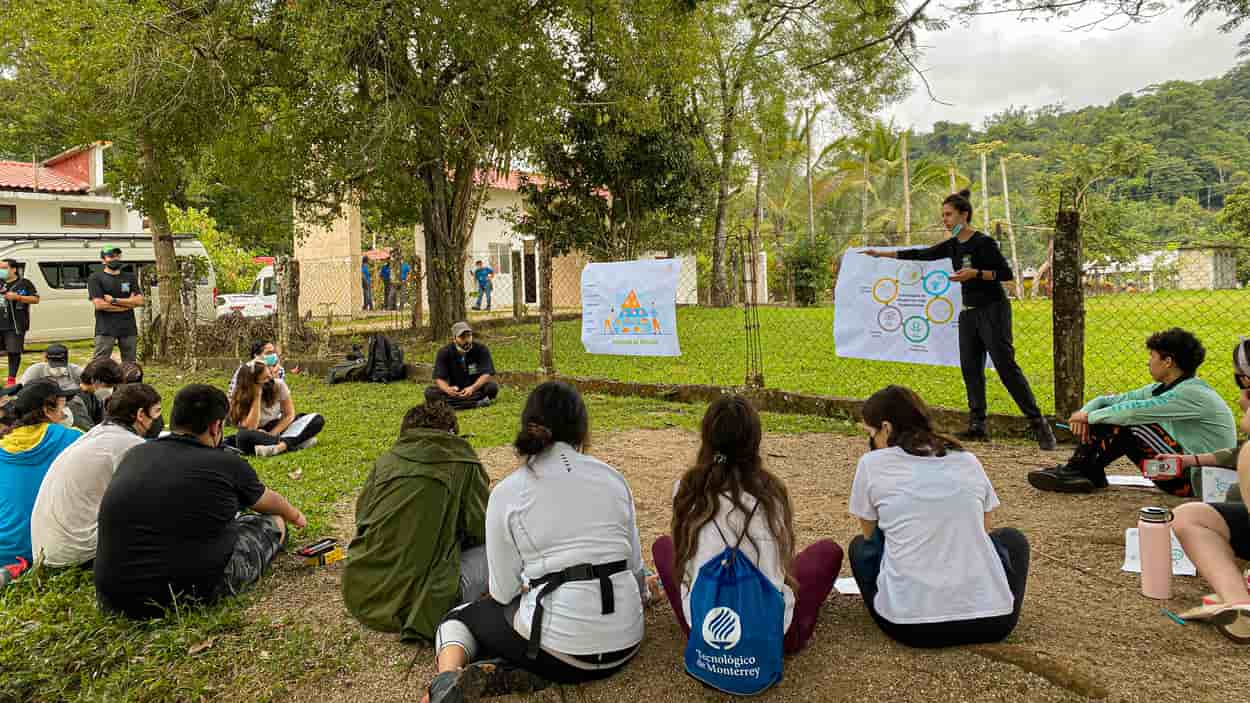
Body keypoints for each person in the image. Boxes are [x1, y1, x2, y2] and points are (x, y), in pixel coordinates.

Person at [423, 381, 646, 702]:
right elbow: (636, 571)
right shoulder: (614, 478)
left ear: (529, 427)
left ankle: (446, 680)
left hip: (561, 651)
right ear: (582, 429)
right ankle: (513, 668)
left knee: (459, 617)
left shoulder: (509, 492)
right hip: (627, 642)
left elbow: (502, 593)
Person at [864, 190, 1056, 451]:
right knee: (970, 368)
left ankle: (1039, 424)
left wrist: (975, 273)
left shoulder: (983, 243)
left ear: (964, 215)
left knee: (1005, 366)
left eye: (949, 214)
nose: (945, 219)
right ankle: (977, 425)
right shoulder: (952, 245)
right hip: (968, 312)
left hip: (993, 309)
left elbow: (1005, 273)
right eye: (942, 215)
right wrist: (883, 255)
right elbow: (923, 254)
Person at [652, 395, 841, 659]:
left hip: (705, 631)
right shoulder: (772, 492)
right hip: (771, 637)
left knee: (663, 547)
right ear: (755, 440)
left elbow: (683, 561)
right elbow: (782, 564)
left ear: (706, 437)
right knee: (827, 552)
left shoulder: (687, 489)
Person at [94, 384, 305, 619]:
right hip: (189, 594)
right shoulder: (226, 463)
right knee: (274, 521)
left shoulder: (135, 454)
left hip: (113, 597)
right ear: (216, 427)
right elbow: (269, 502)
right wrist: (295, 515)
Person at [848, 385, 1029, 648]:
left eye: (870, 434)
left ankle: (910, 595)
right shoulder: (966, 459)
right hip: (994, 622)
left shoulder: (872, 464)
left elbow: (868, 535)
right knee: (1012, 539)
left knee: (859, 547)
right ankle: (985, 593)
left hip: (912, 628)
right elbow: (984, 528)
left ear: (886, 429)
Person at [343, 401, 490, 642]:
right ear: (452, 433)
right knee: (506, 549)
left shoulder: (385, 462)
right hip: (422, 602)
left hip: (361, 594)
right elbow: (484, 528)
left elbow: (362, 517)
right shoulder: (463, 463)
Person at [1028, 328, 1236, 496]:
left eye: (1152, 356)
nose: (1148, 362)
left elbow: (1130, 414)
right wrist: (1084, 414)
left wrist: (1089, 417)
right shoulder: (1163, 388)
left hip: (1195, 482)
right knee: (1114, 414)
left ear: (1168, 361)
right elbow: (1107, 401)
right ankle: (1085, 471)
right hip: (1177, 472)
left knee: (1128, 423)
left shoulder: (1192, 393)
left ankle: (1080, 470)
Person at [30, 383, 163, 569]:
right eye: (156, 412)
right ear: (141, 415)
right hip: (77, 554)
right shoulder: (131, 446)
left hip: (46, 551)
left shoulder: (96, 434)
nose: (158, 419)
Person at [0, 379, 81, 580]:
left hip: (4, 549)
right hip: (47, 550)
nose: (65, 412)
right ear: (47, 410)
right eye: (63, 405)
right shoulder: (72, 439)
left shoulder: (3, 445)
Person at [226, 361, 324, 457]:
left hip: (277, 428)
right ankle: (296, 442)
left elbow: (288, 414)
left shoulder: (279, 385)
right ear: (252, 383)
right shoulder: (241, 395)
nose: (269, 381)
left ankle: (280, 447)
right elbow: (250, 428)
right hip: (256, 434)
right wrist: (257, 396)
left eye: (270, 376)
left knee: (316, 419)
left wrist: (272, 434)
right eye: (264, 379)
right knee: (242, 437)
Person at [87, 246, 144, 362]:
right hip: (105, 327)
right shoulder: (95, 278)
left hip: (128, 327)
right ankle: (99, 380)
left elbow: (140, 301)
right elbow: (100, 305)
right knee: (100, 361)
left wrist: (114, 300)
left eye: (118, 256)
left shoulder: (130, 277)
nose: (115, 259)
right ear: (103, 260)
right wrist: (128, 304)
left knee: (130, 362)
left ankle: (130, 380)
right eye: (111, 256)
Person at [426, 321, 499, 410]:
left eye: (469, 336)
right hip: (454, 389)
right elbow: (439, 378)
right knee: (429, 392)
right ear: (454, 338)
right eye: (462, 337)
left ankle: (449, 404)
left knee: (492, 388)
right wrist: (448, 390)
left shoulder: (481, 349)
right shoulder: (444, 352)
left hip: (475, 388)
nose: (466, 339)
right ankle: (476, 403)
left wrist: (472, 388)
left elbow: (487, 374)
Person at [0, 259, 39, 387]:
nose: (1, 271)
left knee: (13, 351)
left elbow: (35, 299)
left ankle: (11, 379)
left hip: (15, 325)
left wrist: (18, 297)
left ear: (14, 269)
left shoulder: (24, 283)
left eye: (4, 268)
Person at [67, 357, 124, 432]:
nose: (111, 390)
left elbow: (103, 421)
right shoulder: (74, 401)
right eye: (109, 386)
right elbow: (87, 432)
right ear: (94, 380)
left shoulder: (95, 394)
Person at [19, 343, 83, 392]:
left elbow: (89, 386)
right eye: (54, 365)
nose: (57, 368)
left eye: (60, 364)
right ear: (45, 359)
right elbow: (22, 390)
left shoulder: (75, 370)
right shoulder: (34, 370)